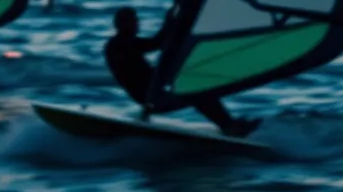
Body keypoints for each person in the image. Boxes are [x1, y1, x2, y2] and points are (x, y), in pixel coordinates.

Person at [104, 7, 261, 138]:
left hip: (151, 93)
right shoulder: (120, 45)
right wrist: (170, 22)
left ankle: (228, 124)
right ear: (124, 24)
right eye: (134, 20)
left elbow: (154, 49)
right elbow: (156, 44)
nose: (138, 22)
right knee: (198, 92)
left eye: (136, 19)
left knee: (198, 89)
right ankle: (228, 126)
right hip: (152, 97)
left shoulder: (118, 44)